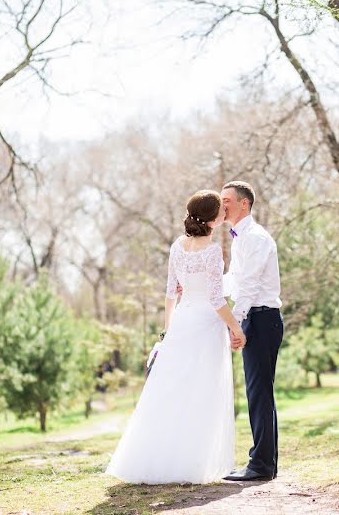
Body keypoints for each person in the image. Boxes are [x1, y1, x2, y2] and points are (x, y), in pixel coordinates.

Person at [105, 190, 246, 484]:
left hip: (182, 322)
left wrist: (168, 332)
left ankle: (160, 459)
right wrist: (235, 327)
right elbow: (217, 300)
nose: (224, 213)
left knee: (171, 390)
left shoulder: (177, 247)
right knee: (201, 393)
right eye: (221, 210)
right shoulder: (211, 252)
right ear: (212, 219)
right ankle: (193, 463)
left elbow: (171, 293)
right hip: (206, 325)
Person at [220, 181, 283, 482]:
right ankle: (264, 463)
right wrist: (200, 288)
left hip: (262, 319)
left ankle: (260, 465)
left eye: (227, 200)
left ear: (244, 204)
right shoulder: (240, 238)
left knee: (259, 393)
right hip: (254, 318)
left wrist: (236, 321)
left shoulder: (255, 237)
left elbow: (250, 285)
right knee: (258, 393)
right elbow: (233, 280)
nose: (222, 205)